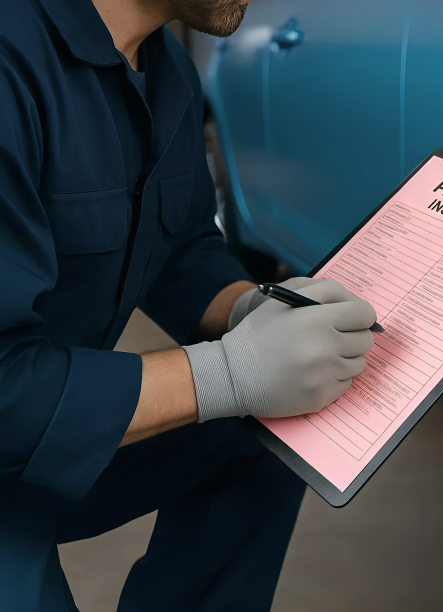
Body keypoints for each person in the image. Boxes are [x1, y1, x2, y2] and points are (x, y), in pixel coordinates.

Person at [0, 0, 378, 609]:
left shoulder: (165, 68)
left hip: (51, 436)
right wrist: (231, 373)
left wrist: (251, 308)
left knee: (275, 431)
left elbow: (178, 245)